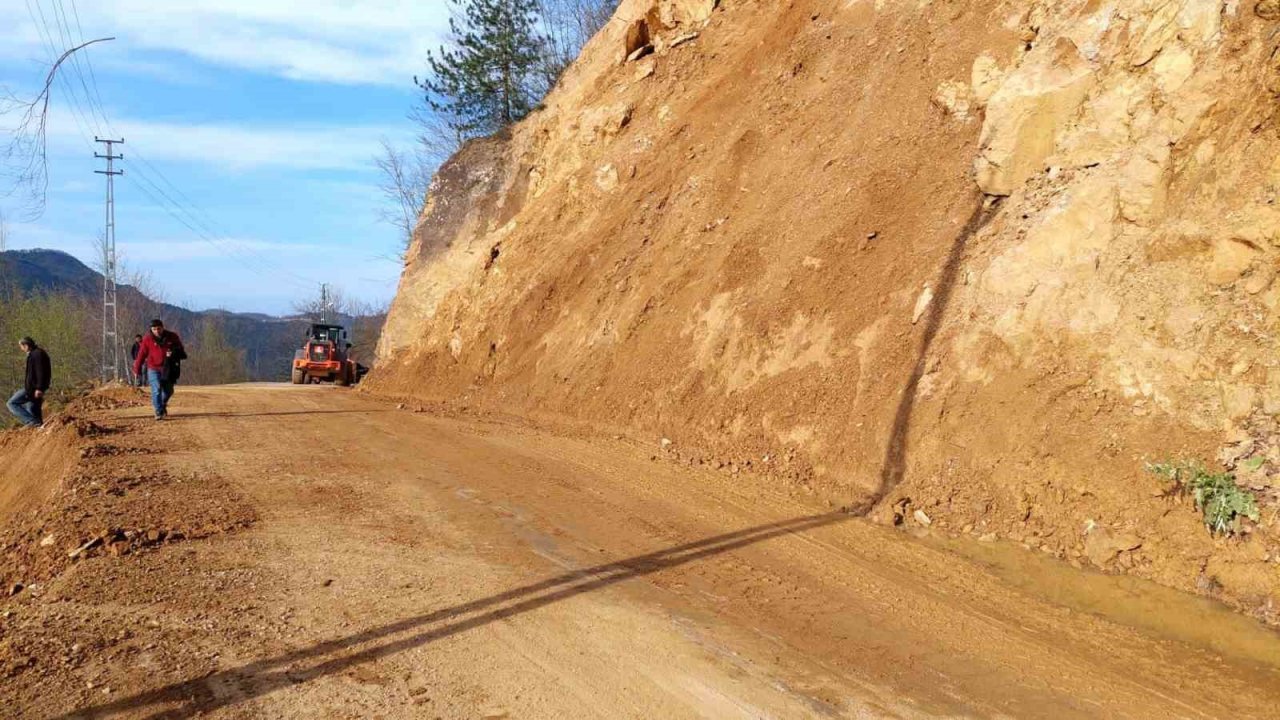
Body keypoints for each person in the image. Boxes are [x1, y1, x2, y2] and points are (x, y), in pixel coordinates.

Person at [132, 319, 186, 420]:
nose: (157, 331)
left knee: (168, 391)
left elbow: (182, 352)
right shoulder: (147, 340)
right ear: (151, 330)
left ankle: (162, 404)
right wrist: (137, 370)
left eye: (159, 328)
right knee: (156, 389)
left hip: (168, 368)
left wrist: (173, 353)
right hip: (153, 368)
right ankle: (158, 411)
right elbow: (141, 355)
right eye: (154, 329)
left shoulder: (172, 337)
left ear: (163, 327)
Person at [7, 337, 51, 428]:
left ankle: (31, 421)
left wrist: (39, 388)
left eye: (21, 346)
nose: (21, 349)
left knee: (11, 403)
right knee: (33, 409)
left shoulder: (37, 354)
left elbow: (40, 372)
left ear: (26, 345)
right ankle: (38, 427)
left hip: (33, 388)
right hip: (34, 388)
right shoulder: (35, 353)